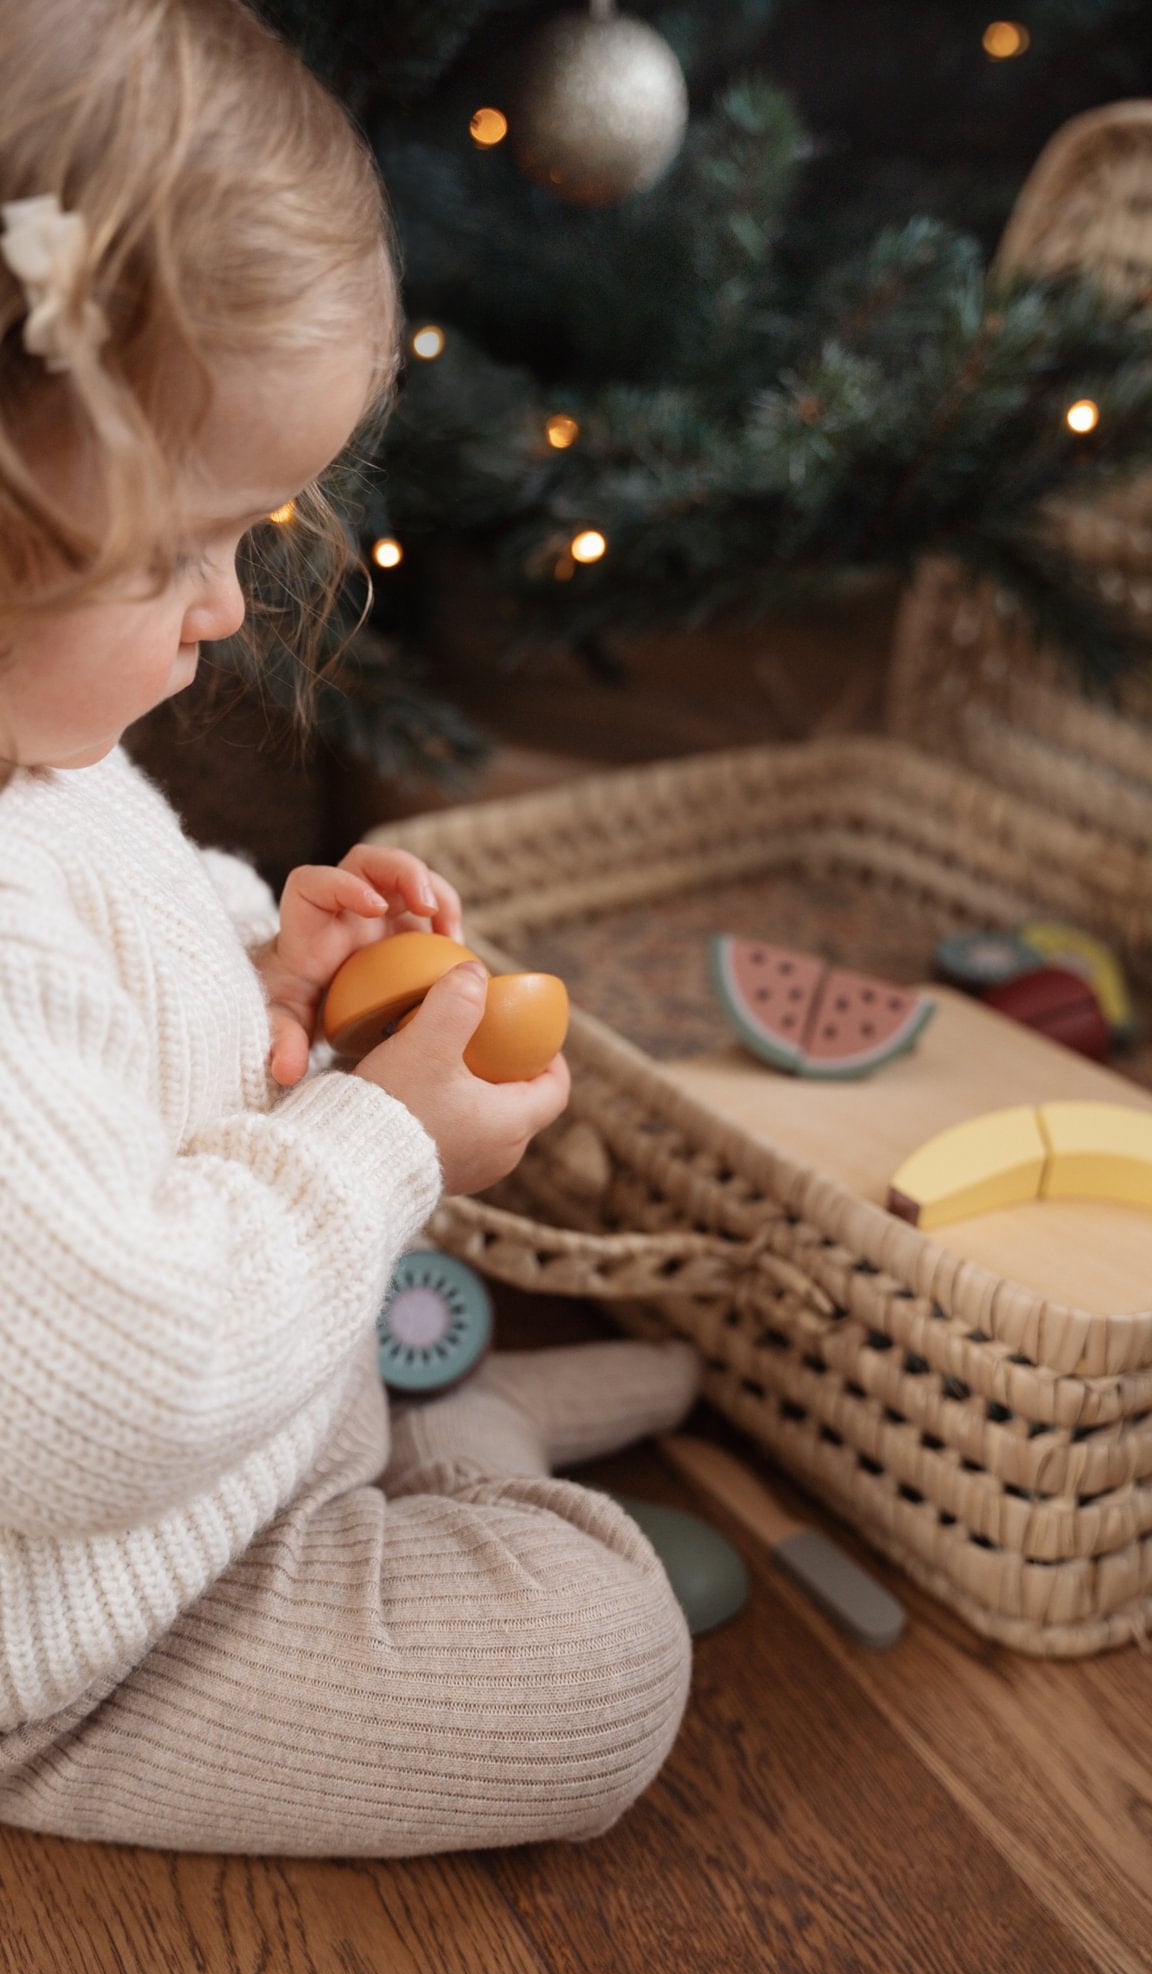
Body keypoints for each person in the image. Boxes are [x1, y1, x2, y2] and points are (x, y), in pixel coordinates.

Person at [0, 0, 697, 1858]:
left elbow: (103, 1009)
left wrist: (261, 974)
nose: (230, 608)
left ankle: (405, 1430)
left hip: (223, 1456)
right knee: (600, 1671)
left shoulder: (33, 745)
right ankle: (455, 1442)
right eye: (180, 549)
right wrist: (382, 1141)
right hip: (92, 1636)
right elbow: (113, 1384)